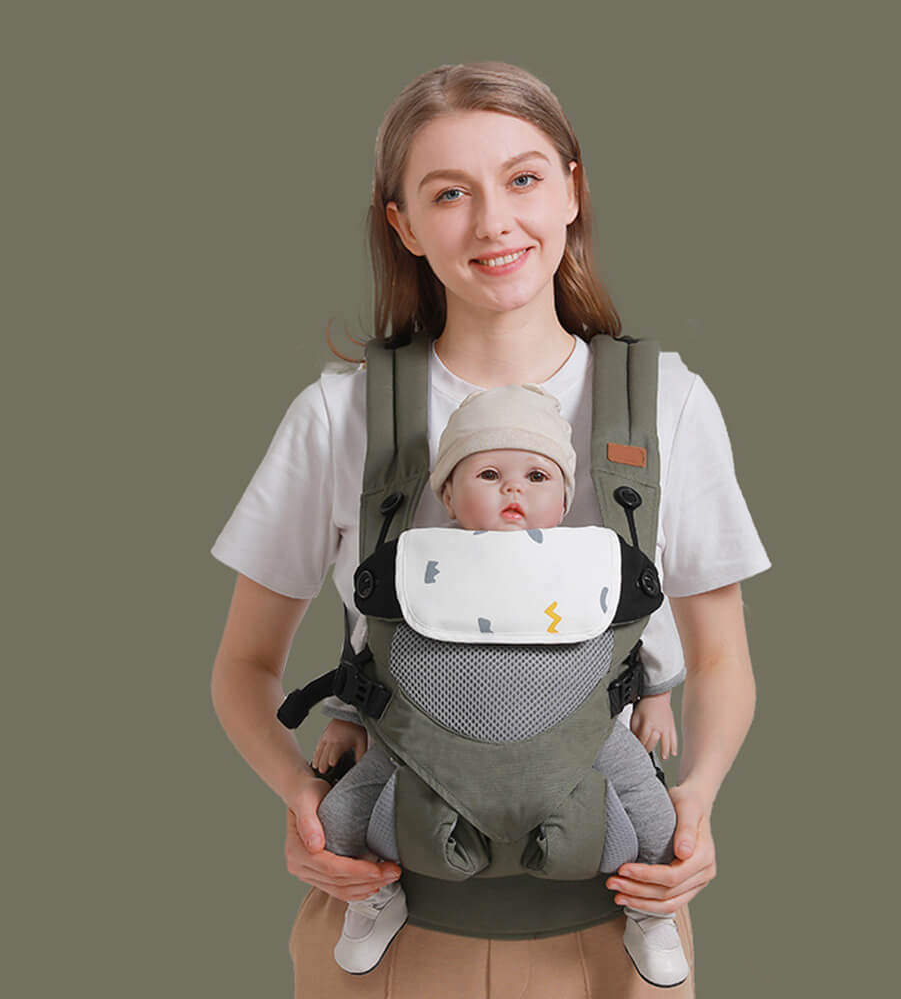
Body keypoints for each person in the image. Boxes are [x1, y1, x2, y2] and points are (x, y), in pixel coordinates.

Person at [210, 61, 771, 998]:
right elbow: (242, 667)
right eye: (449, 194)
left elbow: (720, 660)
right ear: (404, 224)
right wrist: (307, 804)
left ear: (572, 189)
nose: (493, 222)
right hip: (388, 926)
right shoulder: (340, 417)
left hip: (617, 925)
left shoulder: (664, 404)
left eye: (522, 178)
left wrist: (699, 802)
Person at [315, 383, 689, 986]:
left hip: (584, 734)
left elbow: (646, 620)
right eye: (489, 472)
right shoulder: (415, 561)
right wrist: (344, 715)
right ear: (448, 492)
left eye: (537, 476)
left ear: (565, 499)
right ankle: (373, 899)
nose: (514, 488)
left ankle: (650, 910)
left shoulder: (591, 561)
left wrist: (660, 695)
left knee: (662, 828)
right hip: (416, 738)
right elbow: (367, 645)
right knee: (334, 822)